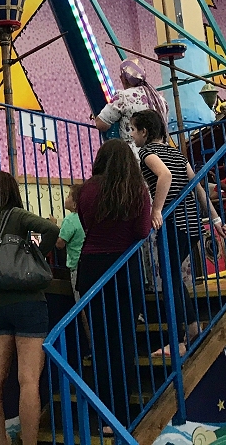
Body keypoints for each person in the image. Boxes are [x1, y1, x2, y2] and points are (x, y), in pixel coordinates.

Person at [129, 109, 226, 352]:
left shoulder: (146, 152)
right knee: (172, 275)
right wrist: (214, 220)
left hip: (174, 222)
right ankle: (190, 329)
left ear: (144, 131)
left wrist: (157, 210)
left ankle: (190, 331)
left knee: (169, 277)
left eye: (133, 129)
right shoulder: (175, 152)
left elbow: (165, 176)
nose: (131, 135)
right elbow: (197, 187)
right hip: (192, 223)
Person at [0, 171, 60, 445]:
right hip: (28, 303)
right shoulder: (18, 216)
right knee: (28, 380)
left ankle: (1, 442)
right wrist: (35, 249)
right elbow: (52, 230)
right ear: (13, 191)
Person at [76, 140, 152, 428]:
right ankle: (123, 414)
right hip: (123, 268)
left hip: (91, 268)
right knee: (124, 341)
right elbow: (143, 231)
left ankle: (102, 411)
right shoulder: (137, 190)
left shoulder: (86, 190)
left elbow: (85, 225)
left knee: (101, 341)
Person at [94, 59, 169, 140]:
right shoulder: (160, 99)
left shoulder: (123, 96)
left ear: (124, 78)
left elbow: (100, 123)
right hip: (158, 151)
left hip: (133, 151)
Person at [55, 185, 85, 296]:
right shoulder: (85, 217)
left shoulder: (70, 219)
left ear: (74, 204)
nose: (65, 199)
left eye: (68, 196)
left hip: (76, 265)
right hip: (86, 262)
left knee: (79, 299)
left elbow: (60, 244)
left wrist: (53, 229)